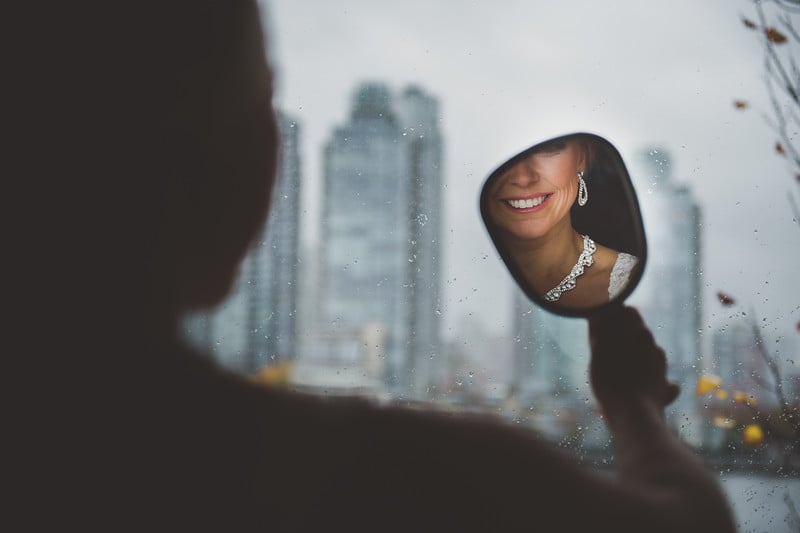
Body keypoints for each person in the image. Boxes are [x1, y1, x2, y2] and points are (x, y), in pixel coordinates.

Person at [15, 1, 735, 531]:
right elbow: (688, 522)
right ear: (200, 175)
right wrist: (633, 406)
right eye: (265, 98)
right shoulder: (394, 480)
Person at [485, 134, 640, 309]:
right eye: (500, 152)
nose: (523, 178)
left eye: (548, 148)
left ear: (581, 158)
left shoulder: (632, 282)